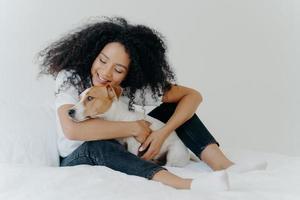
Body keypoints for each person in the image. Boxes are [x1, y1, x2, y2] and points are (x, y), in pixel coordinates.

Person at [38, 16, 266, 191]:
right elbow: (72, 129)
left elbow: (192, 96)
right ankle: (185, 184)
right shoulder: (70, 78)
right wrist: (134, 127)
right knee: (102, 145)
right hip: (78, 154)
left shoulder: (130, 89)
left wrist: (163, 133)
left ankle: (223, 165)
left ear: (129, 73)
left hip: (124, 145)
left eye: (118, 70)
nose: (105, 73)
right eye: (102, 61)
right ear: (93, 54)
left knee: (170, 107)